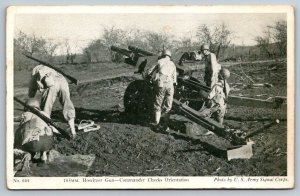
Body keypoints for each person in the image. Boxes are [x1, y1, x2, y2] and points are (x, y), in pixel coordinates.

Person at [28, 64, 76, 137]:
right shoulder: (50, 68)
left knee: (46, 108)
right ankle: (73, 130)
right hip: (63, 81)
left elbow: (32, 89)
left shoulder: (35, 70)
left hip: (51, 84)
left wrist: (30, 97)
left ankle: (48, 130)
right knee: (67, 104)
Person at [14, 98, 58, 173]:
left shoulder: (26, 114)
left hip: (33, 143)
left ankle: (26, 153)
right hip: (48, 143)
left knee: (20, 132)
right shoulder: (45, 114)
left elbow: (22, 129)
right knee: (44, 132)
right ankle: (43, 155)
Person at [147, 49, 177, 129]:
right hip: (170, 85)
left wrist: (149, 76)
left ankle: (157, 122)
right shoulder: (172, 63)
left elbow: (149, 71)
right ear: (169, 56)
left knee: (158, 103)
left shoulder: (159, 61)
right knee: (168, 105)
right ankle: (165, 124)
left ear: (163, 55)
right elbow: (175, 77)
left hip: (161, 84)